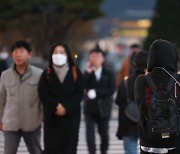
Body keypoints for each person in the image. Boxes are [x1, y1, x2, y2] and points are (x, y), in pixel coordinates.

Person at [135, 39, 180, 154]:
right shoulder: (177, 80)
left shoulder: (141, 80)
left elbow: (141, 106)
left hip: (148, 142)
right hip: (175, 142)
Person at [38, 43, 84, 154]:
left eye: (61, 52)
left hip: (71, 118)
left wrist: (66, 108)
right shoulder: (46, 74)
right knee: (51, 148)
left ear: (67, 55)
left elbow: (79, 93)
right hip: (52, 119)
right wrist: (55, 106)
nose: (58, 55)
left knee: (69, 148)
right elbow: (43, 93)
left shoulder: (75, 72)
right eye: (55, 52)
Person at [0, 40, 43, 154]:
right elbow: (1, 99)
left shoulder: (39, 74)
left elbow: (43, 99)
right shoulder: (5, 75)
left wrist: (42, 117)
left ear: (29, 54)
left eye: (21, 51)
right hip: (11, 123)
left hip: (32, 123)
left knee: (36, 151)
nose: (18, 54)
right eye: (15, 52)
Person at [84, 48, 115, 154]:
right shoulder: (88, 72)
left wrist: (96, 92)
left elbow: (111, 89)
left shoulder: (108, 72)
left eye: (97, 56)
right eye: (92, 56)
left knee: (104, 135)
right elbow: (81, 86)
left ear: (103, 58)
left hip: (104, 109)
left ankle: (103, 151)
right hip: (90, 109)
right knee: (90, 136)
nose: (94, 59)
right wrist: (87, 73)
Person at [116, 51, 148, 154]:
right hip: (147, 124)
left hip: (128, 122)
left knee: (130, 151)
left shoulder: (126, 81)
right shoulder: (150, 82)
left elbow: (118, 101)